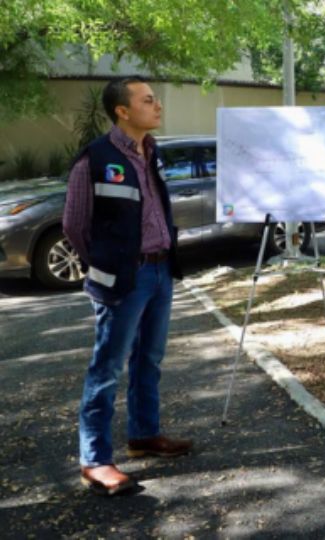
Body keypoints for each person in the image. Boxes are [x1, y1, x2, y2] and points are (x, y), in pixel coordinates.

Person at [63, 76, 193, 496]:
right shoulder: (95, 158)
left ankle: (144, 433)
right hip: (124, 278)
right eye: (148, 100)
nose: (158, 107)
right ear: (122, 110)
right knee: (107, 368)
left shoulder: (151, 152)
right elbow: (75, 225)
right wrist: (106, 266)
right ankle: (96, 460)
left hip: (159, 272)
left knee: (149, 360)